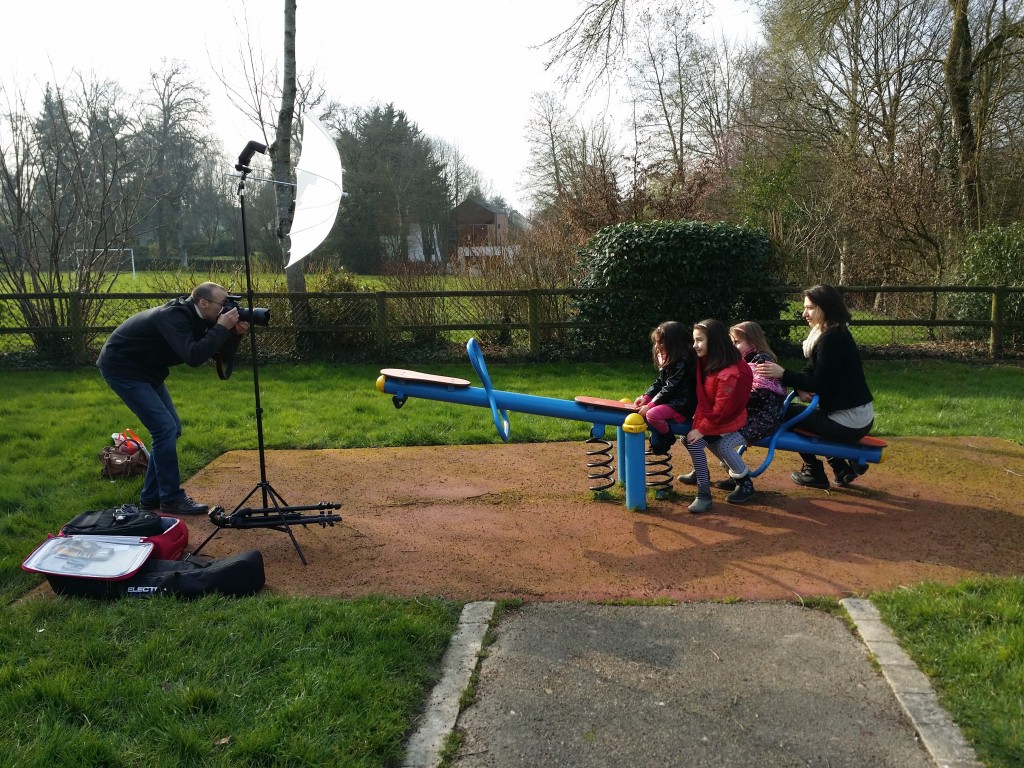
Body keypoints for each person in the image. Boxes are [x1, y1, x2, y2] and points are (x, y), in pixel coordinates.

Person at [97, 282, 248, 515]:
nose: (227, 308)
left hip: (148, 368)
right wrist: (220, 328)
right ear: (203, 303)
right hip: (122, 367)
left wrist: (231, 333)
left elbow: (216, 353)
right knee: (164, 429)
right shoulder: (174, 317)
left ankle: (150, 497)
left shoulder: (203, 318)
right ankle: (170, 498)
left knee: (172, 428)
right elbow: (194, 356)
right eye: (223, 303)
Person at [754, 283, 874, 489]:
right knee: (803, 415)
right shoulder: (832, 333)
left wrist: (783, 374)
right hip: (855, 416)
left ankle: (814, 471)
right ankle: (840, 468)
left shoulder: (831, 339)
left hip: (848, 422)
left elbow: (820, 384)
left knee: (785, 413)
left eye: (809, 308)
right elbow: (813, 369)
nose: (804, 313)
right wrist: (799, 384)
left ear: (824, 307)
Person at [703, 321, 787, 491]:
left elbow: (761, 394)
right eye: (732, 342)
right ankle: (735, 472)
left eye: (737, 342)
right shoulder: (741, 361)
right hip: (747, 416)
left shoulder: (762, 361)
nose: (733, 346)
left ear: (752, 342)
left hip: (763, 418)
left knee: (724, 445)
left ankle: (745, 484)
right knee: (707, 437)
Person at [683, 318, 755, 513]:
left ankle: (704, 494)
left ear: (713, 342)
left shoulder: (728, 373)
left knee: (695, 442)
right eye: (694, 340)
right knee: (689, 440)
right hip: (717, 417)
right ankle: (702, 474)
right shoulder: (710, 362)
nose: (695, 346)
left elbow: (723, 409)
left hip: (729, 419)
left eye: (699, 340)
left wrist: (702, 429)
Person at [634, 321, 697, 455]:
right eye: (656, 342)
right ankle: (660, 435)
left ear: (674, 343)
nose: (657, 346)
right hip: (671, 401)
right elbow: (660, 382)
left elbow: (671, 387)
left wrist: (651, 405)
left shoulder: (682, 361)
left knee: (652, 414)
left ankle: (667, 437)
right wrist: (646, 397)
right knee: (650, 413)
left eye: (661, 342)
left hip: (682, 404)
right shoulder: (671, 358)